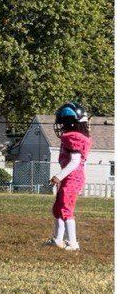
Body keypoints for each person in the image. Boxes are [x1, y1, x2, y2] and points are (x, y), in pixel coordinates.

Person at [47, 102, 92, 251]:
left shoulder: (73, 137)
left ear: (70, 123)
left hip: (72, 177)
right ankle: (58, 239)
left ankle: (72, 242)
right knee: (58, 208)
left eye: (63, 122)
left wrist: (58, 176)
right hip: (70, 177)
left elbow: (75, 162)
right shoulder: (72, 136)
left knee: (66, 209)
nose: (60, 126)